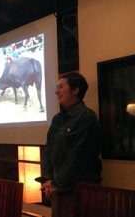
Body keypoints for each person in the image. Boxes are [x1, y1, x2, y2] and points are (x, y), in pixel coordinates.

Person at [40, 72, 103, 200]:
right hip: (58, 187)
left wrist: (57, 183)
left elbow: (78, 155)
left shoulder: (87, 117)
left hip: (82, 189)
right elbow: (48, 149)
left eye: (61, 87)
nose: (56, 91)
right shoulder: (57, 118)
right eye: (57, 87)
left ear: (75, 90)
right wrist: (46, 179)